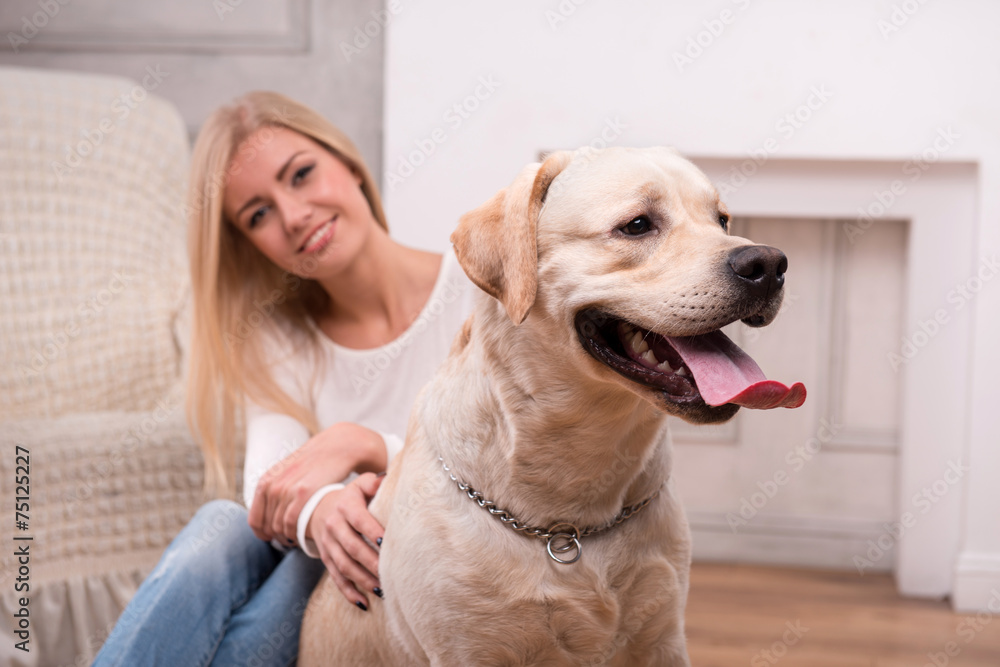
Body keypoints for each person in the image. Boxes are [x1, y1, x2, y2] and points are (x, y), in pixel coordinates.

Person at [93, 91, 476, 666]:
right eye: (259, 214)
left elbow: (509, 475)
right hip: (339, 577)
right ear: (251, 246)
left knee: (318, 549)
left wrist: (364, 445)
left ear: (346, 162)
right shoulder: (277, 338)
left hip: (442, 568)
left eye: (301, 175)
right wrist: (320, 507)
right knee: (227, 525)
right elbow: (267, 490)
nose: (294, 216)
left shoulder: (476, 288)